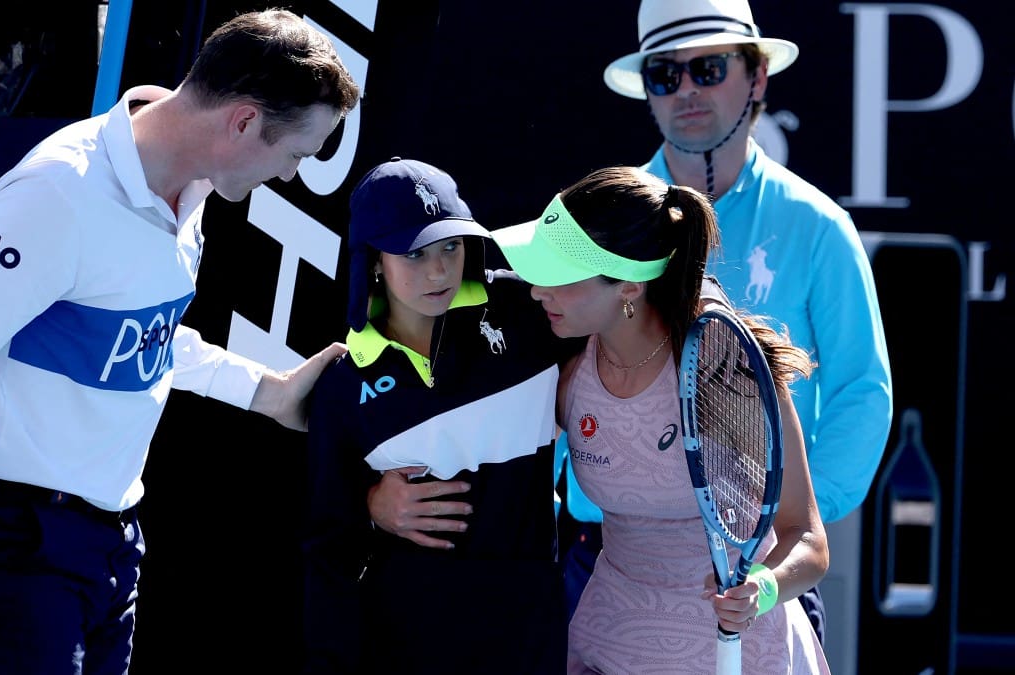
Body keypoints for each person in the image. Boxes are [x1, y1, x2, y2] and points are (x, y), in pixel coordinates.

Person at [0, 9, 359, 674]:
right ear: (245, 121)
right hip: (14, 547)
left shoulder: (191, 191)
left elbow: (138, 330)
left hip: (111, 545)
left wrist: (265, 391)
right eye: (294, 155)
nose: (286, 175)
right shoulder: (56, 195)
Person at [548, 0, 895, 637]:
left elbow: (861, 394)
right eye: (664, 74)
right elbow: (552, 380)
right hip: (608, 562)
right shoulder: (598, 225)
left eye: (708, 67)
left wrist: (771, 527)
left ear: (757, 76)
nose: (685, 90)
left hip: (757, 575)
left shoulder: (819, 228)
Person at [492, 164, 830, 673]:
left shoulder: (726, 369)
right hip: (609, 639)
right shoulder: (562, 363)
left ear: (628, 286)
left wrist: (762, 588)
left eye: (559, 275)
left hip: (739, 648)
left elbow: (806, 538)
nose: (538, 290)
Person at [302, 157, 582, 675]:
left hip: (529, 633)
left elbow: (618, 306)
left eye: (451, 246)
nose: (437, 271)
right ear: (374, 261)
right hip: (404, 643)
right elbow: (328, 549)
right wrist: (369, 507)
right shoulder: (341, 386)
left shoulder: (528, 309)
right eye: (414, 253)